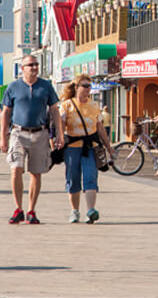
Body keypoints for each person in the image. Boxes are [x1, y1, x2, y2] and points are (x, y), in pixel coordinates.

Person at [0, 54, 63, 224]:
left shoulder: (46, 86)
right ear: (22, 68)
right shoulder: (13, 87)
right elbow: (6, 112)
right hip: (18, 133)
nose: (34, 68)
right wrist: (3, 137)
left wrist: (60, 134)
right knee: (16, 169)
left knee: (36, 173)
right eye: (30, 65)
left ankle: (31, 211)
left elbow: (55, 110)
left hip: (40, 133)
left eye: (36, 64)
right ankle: (18, 208)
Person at [60, 74, 113, 224]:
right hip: (72, 148)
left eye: (89, 86)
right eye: (84, 85)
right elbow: (60, 127)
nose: (88, 89)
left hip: (91, 147)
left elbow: (100, 128)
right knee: (73, 179)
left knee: (91, 177)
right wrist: (58, 140)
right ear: (76, 88)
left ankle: (90, 210)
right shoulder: (67, 105)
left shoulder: (94, 106)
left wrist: (109, 146)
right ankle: (74, 211)